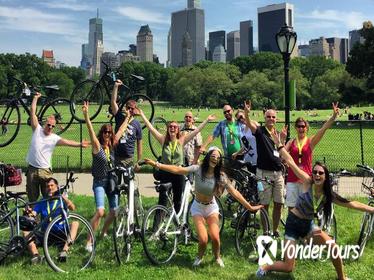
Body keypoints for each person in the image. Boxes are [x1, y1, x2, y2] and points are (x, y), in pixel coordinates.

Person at [256, 131, 374, 280]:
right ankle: (266, 266)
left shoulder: (327, 195)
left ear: (325, 176)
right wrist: (279, 144)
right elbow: (290, 162)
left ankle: (342, 277)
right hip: (292, 225)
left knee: (334, 247)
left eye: (321, 173)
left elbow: (351, 204)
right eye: (315, 172)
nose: (317, 175)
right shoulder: (307, 182)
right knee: (288, 267)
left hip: (308, 227)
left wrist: (372, 209)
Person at [144, 147, 263, 268]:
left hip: (211, 208)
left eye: (217, 157)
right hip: (198, 208)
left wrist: (249, 207)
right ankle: (199, 257)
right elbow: (177, 169)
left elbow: (234, 193)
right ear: (208, 157)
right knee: (203, 239)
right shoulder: (197, 169)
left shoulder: (220, 176)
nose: (215, 158)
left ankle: (217, 257)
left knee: (216, 238)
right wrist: (156, 164)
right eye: (213, 156)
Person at [139, 109, 215, 213]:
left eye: (175, 127)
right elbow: (151, 128)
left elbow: (196, 131)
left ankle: (177, 224)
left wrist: (207, 120)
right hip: (165, 172)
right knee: (162, 201)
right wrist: (142, 114)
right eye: (170, 127)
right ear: (168, 129)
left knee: (177, 201)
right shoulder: (163, 139)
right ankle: (156, 227)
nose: (172, 128)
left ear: (178, 129)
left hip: (178, 173)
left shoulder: (182, 140)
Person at [82, 101, 132, 252]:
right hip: (99, 181)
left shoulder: (112, 145)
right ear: (101, 133)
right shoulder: (97, 147)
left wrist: (128, 117)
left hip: (111, 181)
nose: (107, 135)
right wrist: (86, 116)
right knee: (100, 212)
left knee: (114, 211)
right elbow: (91, 132)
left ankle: (103, 232)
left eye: (109, 132)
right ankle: (88, 242)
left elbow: (121, 129)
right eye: (105, 132)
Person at [26, 92, 89, 202]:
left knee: (49, 199)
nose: (50, 127)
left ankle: (48, 219)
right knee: (32, 200)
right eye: (48, 125)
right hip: (32, 170)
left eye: (52, 126)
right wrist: (35, 98)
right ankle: (32, 218)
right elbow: (32, 112)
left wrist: (80, 144)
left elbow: (67, 142)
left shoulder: (54, 138)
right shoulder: (37, 129)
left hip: (45, 171)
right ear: (45, 123)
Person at [285, 102, 340, 210]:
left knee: (305, 207)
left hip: (306, 179)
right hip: (292, 178)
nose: (301, 129)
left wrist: (333, 117)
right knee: (291, 208)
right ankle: (293, 227)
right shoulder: (291, 142)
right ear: (295, 128)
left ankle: (304, 227)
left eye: (303, 126)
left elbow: (323, 129)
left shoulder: (310, 142)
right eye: (299, 126)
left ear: (306, 128)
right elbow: (282, 154)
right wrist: (282, 140)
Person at [244, 101, 284, 238]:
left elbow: (281, 151)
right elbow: (249, 123)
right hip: (263, 174)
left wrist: (283, 140)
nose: (271, 119)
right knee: (264, 205)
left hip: (278, 174)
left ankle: (275, 229)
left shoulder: (278, 134)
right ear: (265, 118)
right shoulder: (260, 131)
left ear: (276, 119)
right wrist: (247, 113)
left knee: (279, 203)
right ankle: (266, 231)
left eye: (273, 117)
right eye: (268, 117)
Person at [23, 177, 78, 264]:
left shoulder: (61, 200)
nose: (50, 188)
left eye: (52, 185)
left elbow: (73, 208)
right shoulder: (43, 201)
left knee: (75, 223)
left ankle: (64, 251)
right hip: (46, 235)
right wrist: (29, 213)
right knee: (26, 232)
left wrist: (65, 199)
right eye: (47, 186)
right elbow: (33, 214)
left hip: (62, 233)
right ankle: (36, 256)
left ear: (57, 187)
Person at [200, 105, 245, 178]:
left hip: (240, 156)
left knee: (240, 180)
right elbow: (213, 136)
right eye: (225, 112)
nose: (227, 113)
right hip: (228, 157)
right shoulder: (221, 124)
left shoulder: (239, 123)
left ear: (232, 110)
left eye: (228, 111)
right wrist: (203, 146)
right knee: (225, 180)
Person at [111, 80, 142, 170]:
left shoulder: (137, 124)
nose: (130, 110)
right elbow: (113, 102)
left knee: (129, 182)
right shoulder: (119, 117)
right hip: (116, 157)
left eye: (132, 108)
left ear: (135, 109)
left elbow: (139, 143)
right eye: (128, 108)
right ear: (125, 108)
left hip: (129, 159)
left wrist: (139, 161)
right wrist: (116, 87)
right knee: (115, 181)